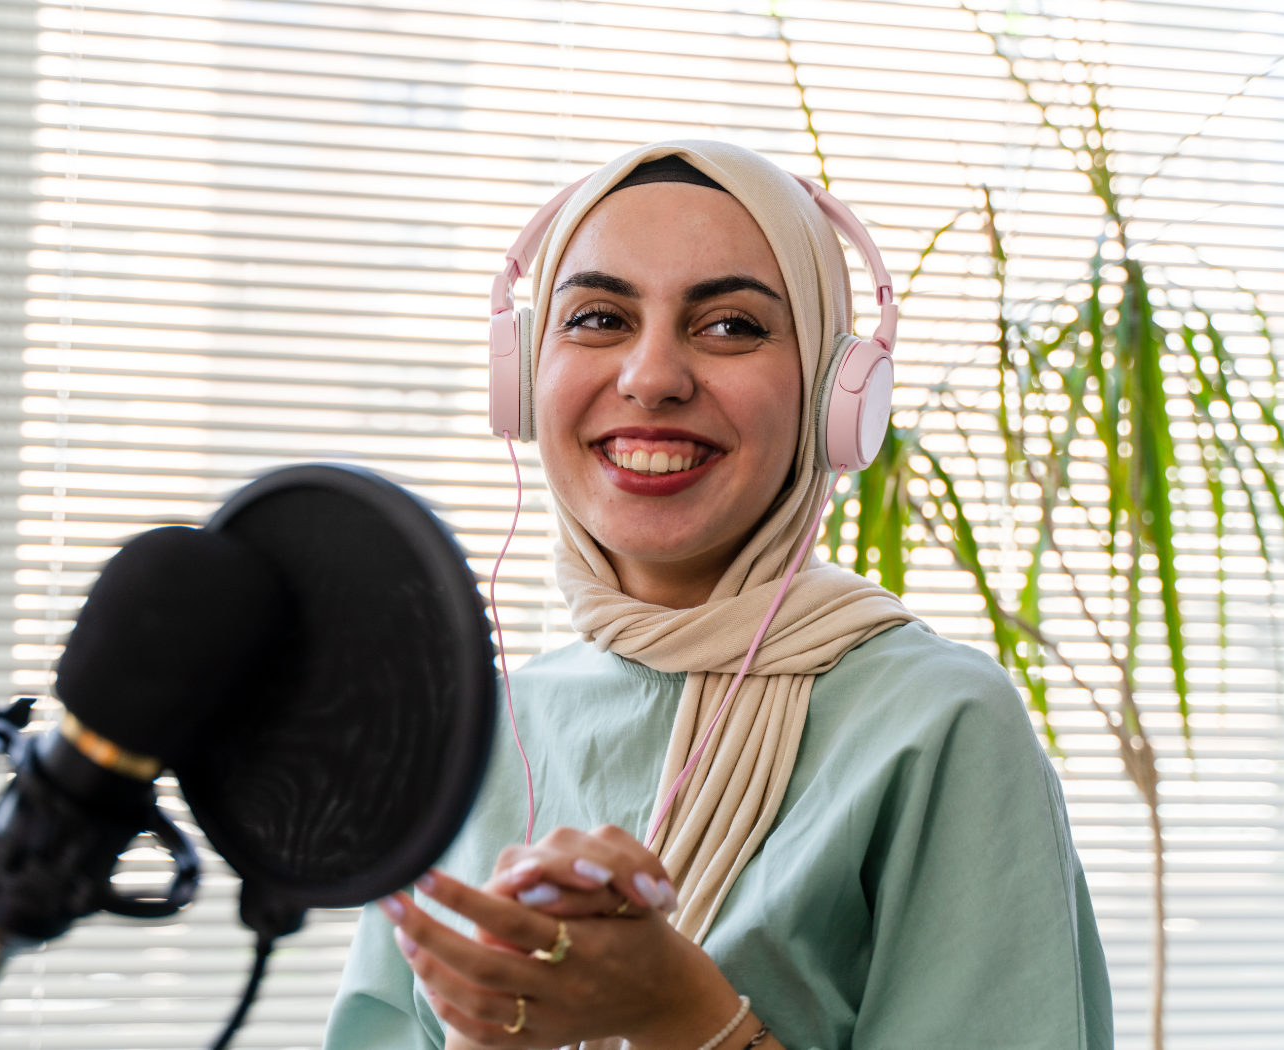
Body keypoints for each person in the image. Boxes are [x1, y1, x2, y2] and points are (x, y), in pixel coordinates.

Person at [323, 140, 1111, 1050]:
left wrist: (687, 1019)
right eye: (597, 319)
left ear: (832, 394)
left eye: (731, 326)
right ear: (522, 378)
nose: (652, 378)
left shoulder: (935, 725)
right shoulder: (471, 738)